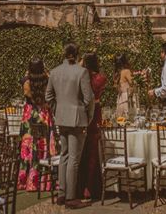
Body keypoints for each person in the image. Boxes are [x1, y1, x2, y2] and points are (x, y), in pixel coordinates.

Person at [45, 43, 94, 209]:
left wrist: (57, 111)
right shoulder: (82, 72)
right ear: (77, 54)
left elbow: (49, 96)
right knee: (73, 158)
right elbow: (89, 99)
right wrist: (88, 116)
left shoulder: (54, 71)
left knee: (64, 155)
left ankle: (62, 193)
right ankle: (71, 198)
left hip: (62, 118)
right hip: (77, 119)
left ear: (64, 54)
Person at [17, 58, 55, 191]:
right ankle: (45, 181)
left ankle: (27, 179)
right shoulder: (47, 80)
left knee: (29, 145)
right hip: (44, 113)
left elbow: (28, 95)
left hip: (30, 114)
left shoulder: (26, 81)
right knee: (43, 145)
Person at [78, 53, 107, 201]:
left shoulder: (80, 77)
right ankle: (91, 188)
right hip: (95, 114)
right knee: (93, 153)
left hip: (81, 114)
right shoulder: (100, 78)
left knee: (82, 153)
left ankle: (80, 187)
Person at [114, 53, 133, 119]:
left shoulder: (116, 74)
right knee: (129, 117)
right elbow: (132, 84)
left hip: (120, 97)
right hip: (127, 97)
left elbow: (117, 88)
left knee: (120, 118)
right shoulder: (126, 71)